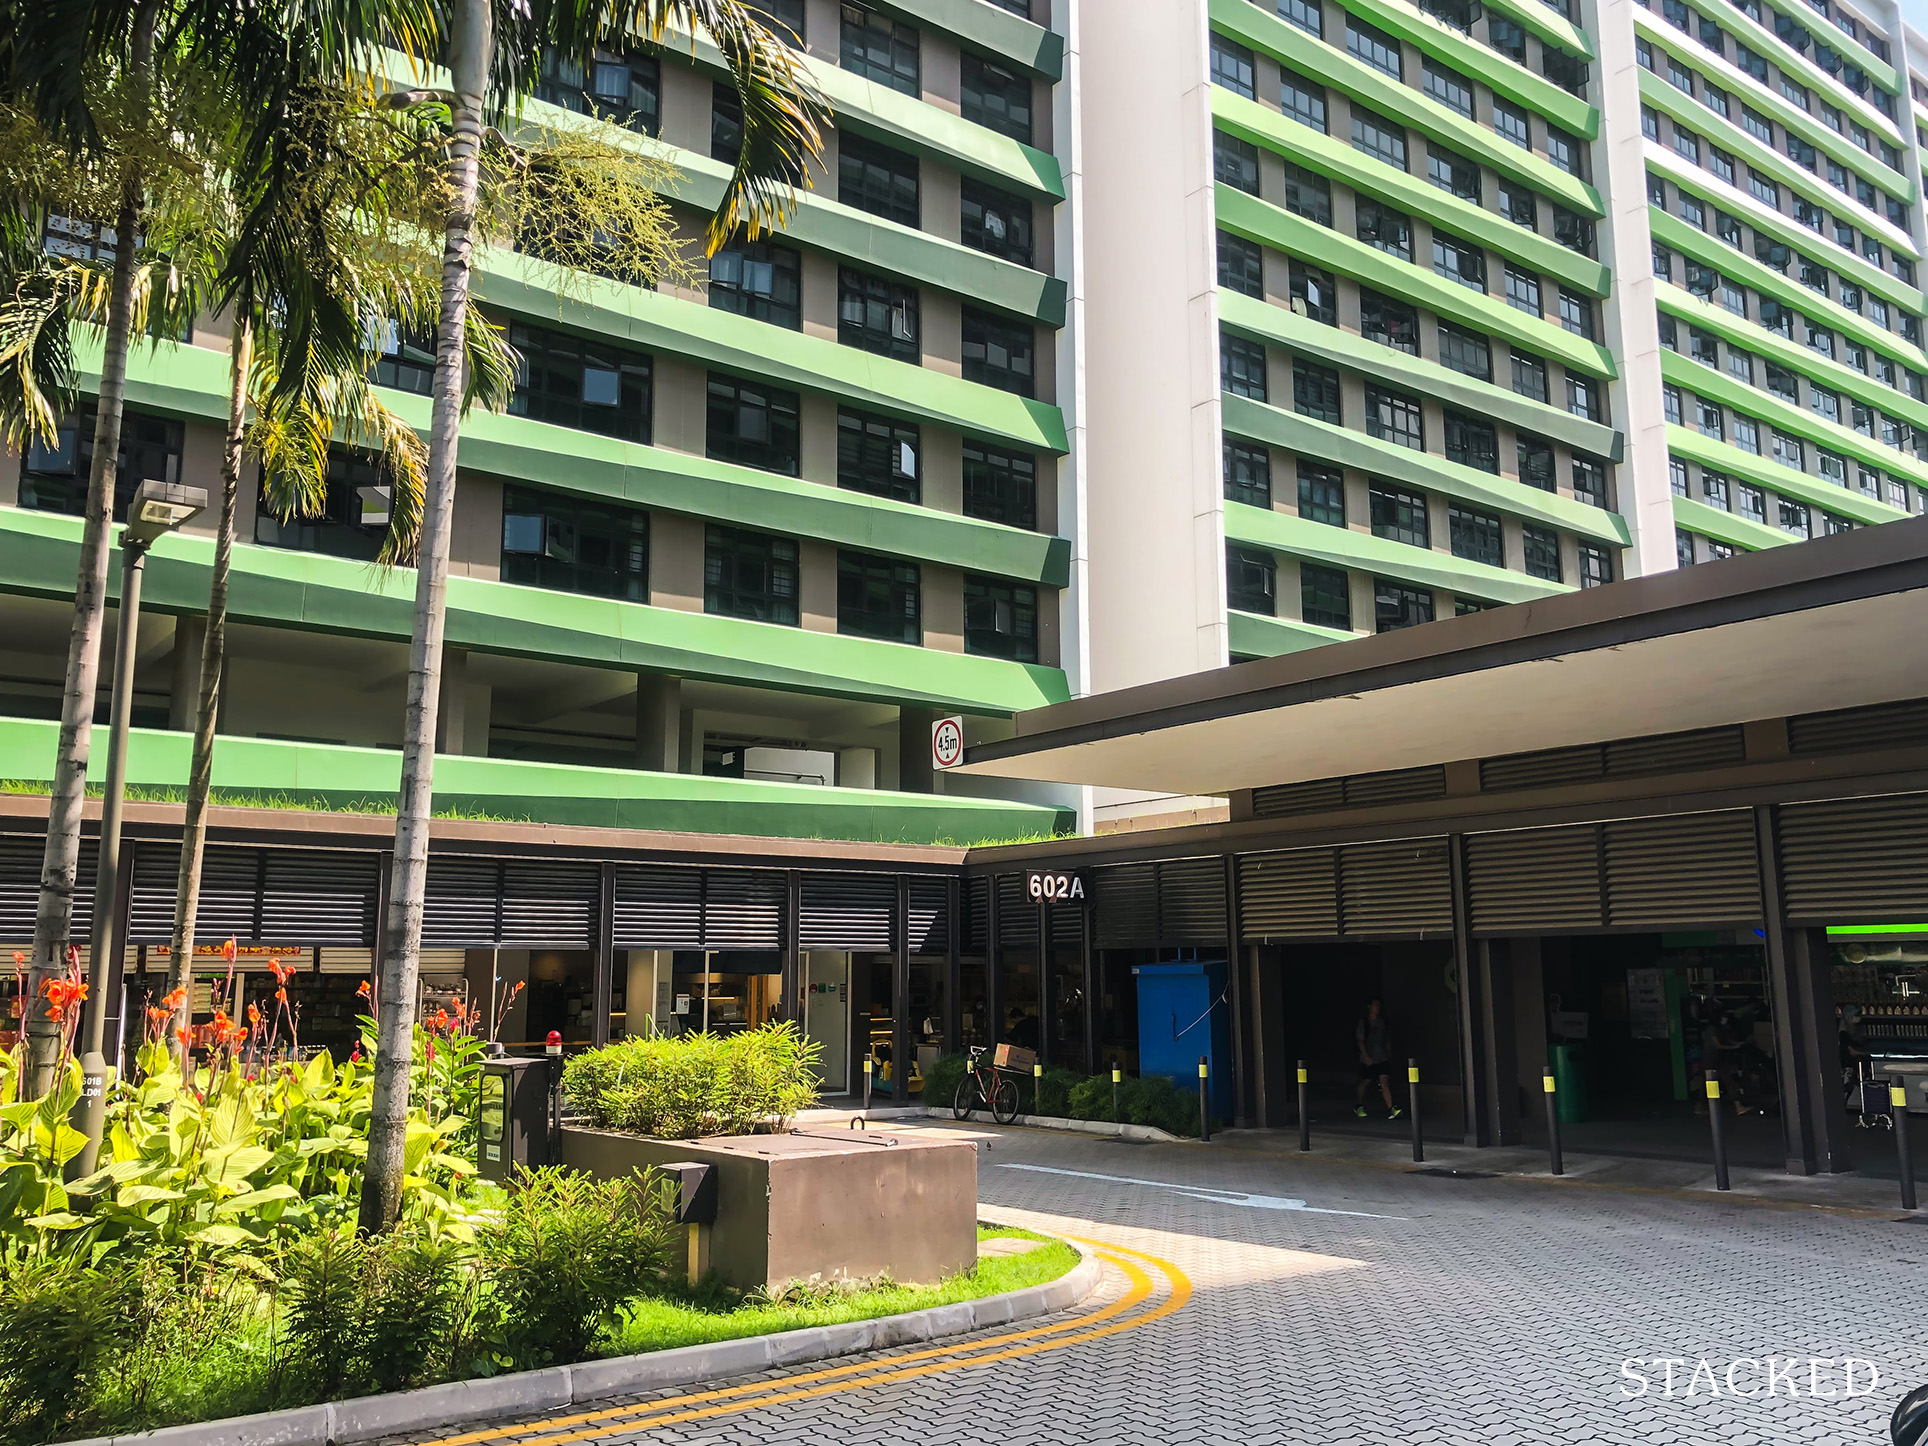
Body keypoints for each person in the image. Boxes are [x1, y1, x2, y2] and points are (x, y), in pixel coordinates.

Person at [1354, 998, 1401, 1119]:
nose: (1377, 1008)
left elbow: (1386, 1037)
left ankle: (1391, 1108)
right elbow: (1360, 1041)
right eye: (1375, 1005)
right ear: (1369, 1006)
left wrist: (1389, 1051)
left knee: (1384, 1081)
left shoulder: (1382, 1022)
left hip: (1382, 1056)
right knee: (1365, 1081)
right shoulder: (1364, 1022)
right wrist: (1366, 1057)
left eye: (1378, 1005)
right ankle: (1359, 1105)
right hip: (1369, 1057)